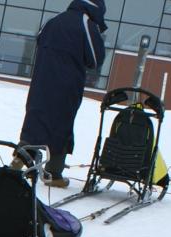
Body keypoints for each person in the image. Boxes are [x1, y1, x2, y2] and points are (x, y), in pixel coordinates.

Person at [19, 0, 107, 187]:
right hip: (67, 84)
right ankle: (53, 173)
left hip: (42, 79)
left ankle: (20, 159)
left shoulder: (53, 20)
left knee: (36, 118)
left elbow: (39, 41)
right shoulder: (86, 24)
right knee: (61, 124)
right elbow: (95, 59)